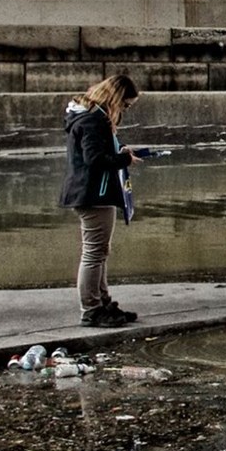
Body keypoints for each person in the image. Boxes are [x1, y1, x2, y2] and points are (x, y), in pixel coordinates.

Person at [63, 73, 152, 324]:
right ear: (115, 98)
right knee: (93, 253)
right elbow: (95, 160)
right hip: (93, 193)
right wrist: (124, 159)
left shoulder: (89, 117)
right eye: (125, 105)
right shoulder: (93, 121)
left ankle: (102, 302)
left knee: (100, 250)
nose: (125, 110)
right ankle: (91, 309)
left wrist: (120, 151)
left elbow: (97, 153)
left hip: (92, 192)